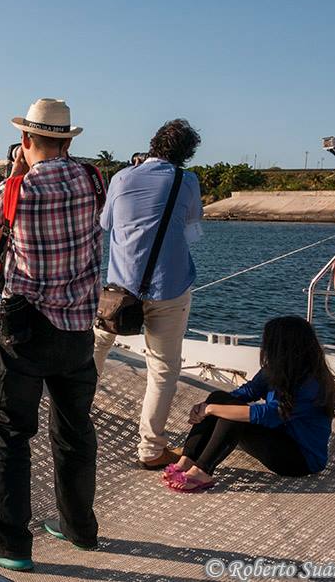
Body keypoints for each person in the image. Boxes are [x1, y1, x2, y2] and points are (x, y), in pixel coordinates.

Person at [0, 98, 103, 571]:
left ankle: (7, 544)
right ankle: (78, 527)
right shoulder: (93, 180)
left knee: (8, 435)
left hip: (26, 329)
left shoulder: (14, 187)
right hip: (79, 327)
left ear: (25, 139)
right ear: (67, 141)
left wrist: (15, 172)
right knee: (75, 430)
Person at [93, 119, 204, 470]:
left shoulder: (122, 178)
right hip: (170, 288)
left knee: (96, 347)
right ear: (186, 154)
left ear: (153, 144)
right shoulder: (187, 181)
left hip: (119, 290)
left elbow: (105, 223)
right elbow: (192, 230)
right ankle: (151, 448)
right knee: (163, 368)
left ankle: (73, 419)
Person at [165, 316, 335, 492]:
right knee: (219, 397)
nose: (264, 347)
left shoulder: (312, 384)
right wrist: (207, 405)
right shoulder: (276, 369)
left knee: (234, 414)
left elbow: (269, 414)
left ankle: (202, 471)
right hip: (277, 437)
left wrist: (211, 409)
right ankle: (187, 460)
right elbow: (248, 391)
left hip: (300, 459)